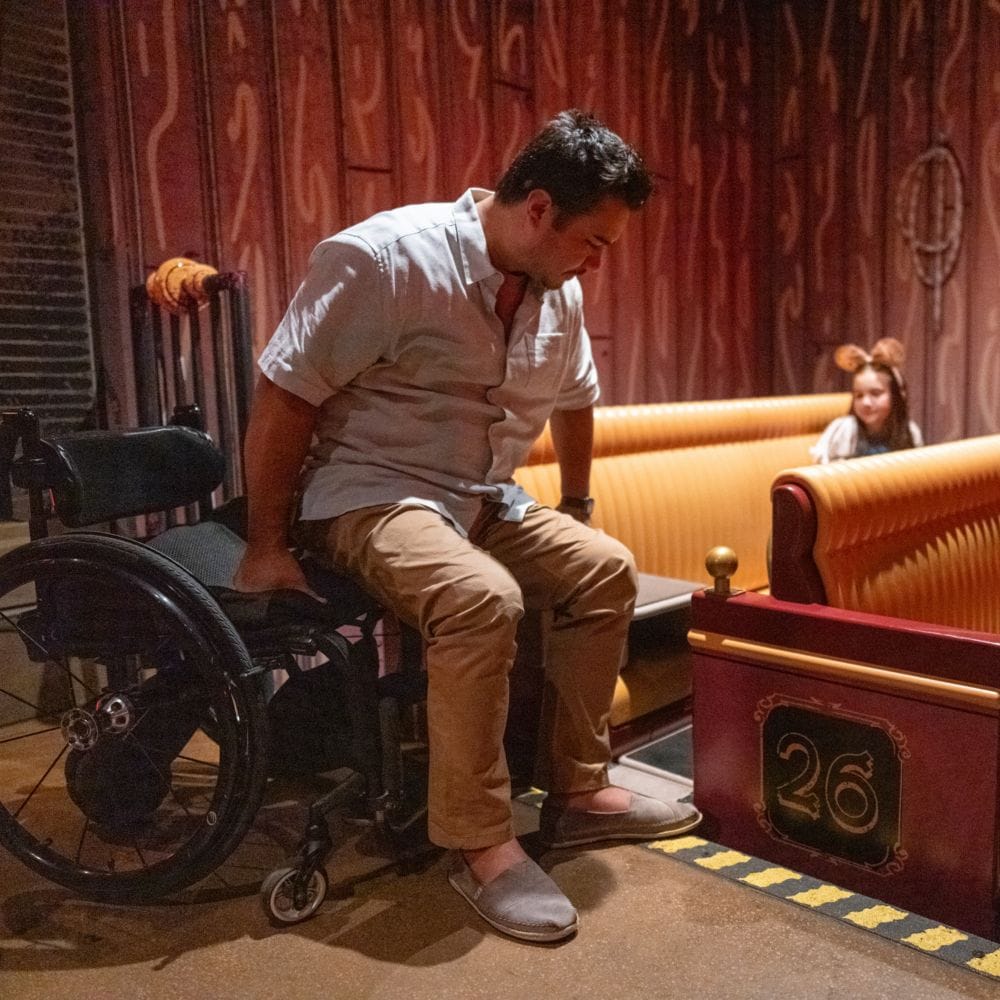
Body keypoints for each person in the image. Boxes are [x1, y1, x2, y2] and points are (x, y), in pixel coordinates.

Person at [233, 109, 701, 944]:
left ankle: (579, 786)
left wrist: (580, 506)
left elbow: (578, 399)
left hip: (481, 494)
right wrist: (266, 545)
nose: (599, 260)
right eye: (593, 240)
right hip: (367, 494)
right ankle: (479, 839)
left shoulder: (559, 285)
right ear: (538, 209)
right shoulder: (385, 259)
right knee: (481, 598)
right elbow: (284, 394)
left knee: (605, 570)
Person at [810, 337, 924, 464]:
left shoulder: (910, 432)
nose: (866, 403)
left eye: (876, 394)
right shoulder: (844, 430)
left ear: (896, 396)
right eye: (859, 396)